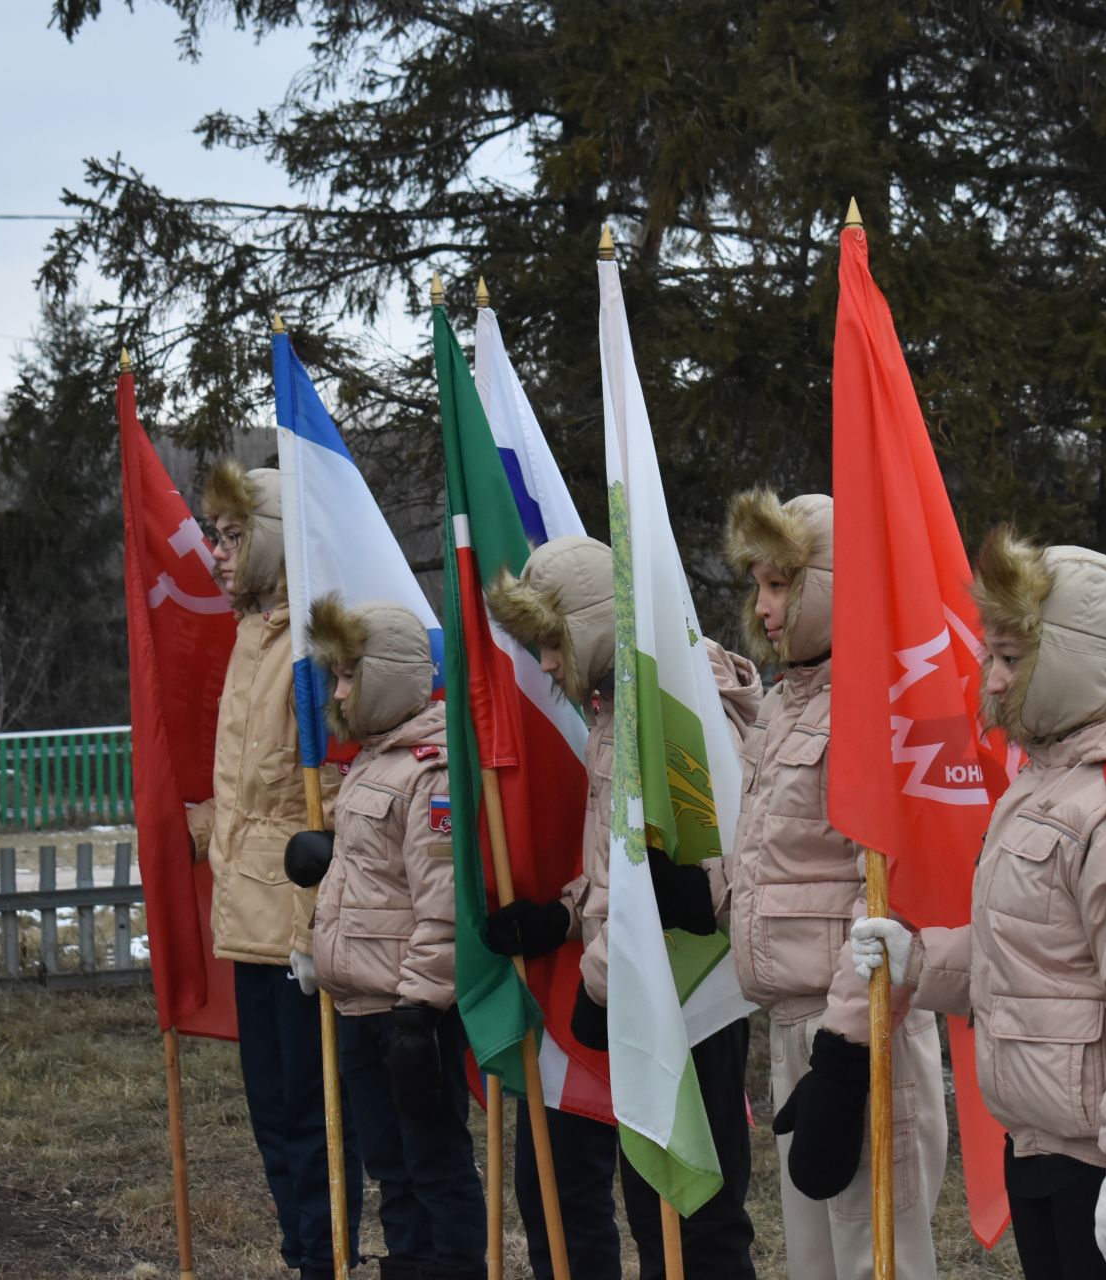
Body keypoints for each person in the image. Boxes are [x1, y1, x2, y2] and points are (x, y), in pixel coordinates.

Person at [851, 528, 1106, 1280]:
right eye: (988, 656)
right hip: (1044, 1142)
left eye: (1011, 658)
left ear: (1067, 657)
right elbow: (1033, 960)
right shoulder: (1043, 786)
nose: (990, 680)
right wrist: (919, 958)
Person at [483, 535, 761, 1280]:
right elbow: (624, 864)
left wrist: (682, 908)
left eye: (550, 643)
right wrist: (567, 917)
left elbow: (735, 854)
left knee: (698, 1217)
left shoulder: (675, 696)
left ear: (593, 621)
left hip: (692, 988)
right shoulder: (612, 706)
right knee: (652, 1209)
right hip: (643, 985)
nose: (544, 666)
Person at [719, 489, 949, 1280]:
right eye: (758, 586)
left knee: (876, 1253)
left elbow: (889, 888)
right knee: (816, 1260)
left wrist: (850, 1047)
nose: (765, 608)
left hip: (860, 1031)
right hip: (793, 1025)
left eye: (781, 585)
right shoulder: (787, 704)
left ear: (827, 582)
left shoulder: (878, 706)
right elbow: (775, 857)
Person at [281, 596, 485, 1280]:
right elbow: (380, 871)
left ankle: (451, 1266)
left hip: (410, 1013)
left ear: (389, 675)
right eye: (332, 676)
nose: (337, 691)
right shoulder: (371, 762)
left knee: (434, 1163)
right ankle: (408, 1265)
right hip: (360, 1007)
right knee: (390, 1168)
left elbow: (441, 904)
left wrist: (420, 1013)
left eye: (347, 675)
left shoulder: (431, 768)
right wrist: (329, 851)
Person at [189, 461, 356, 1280]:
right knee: (271, 1113)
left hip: (298, 918)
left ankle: (327, 1258)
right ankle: (303, 1255)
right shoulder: (251, 636)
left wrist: (308, 928)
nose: (216, 552)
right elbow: (248, 785)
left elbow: (319, 798)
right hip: (247, 914)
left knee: (313, 1112)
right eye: (214, 535)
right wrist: (203, 825)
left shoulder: (313, 644)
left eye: (231, 536)